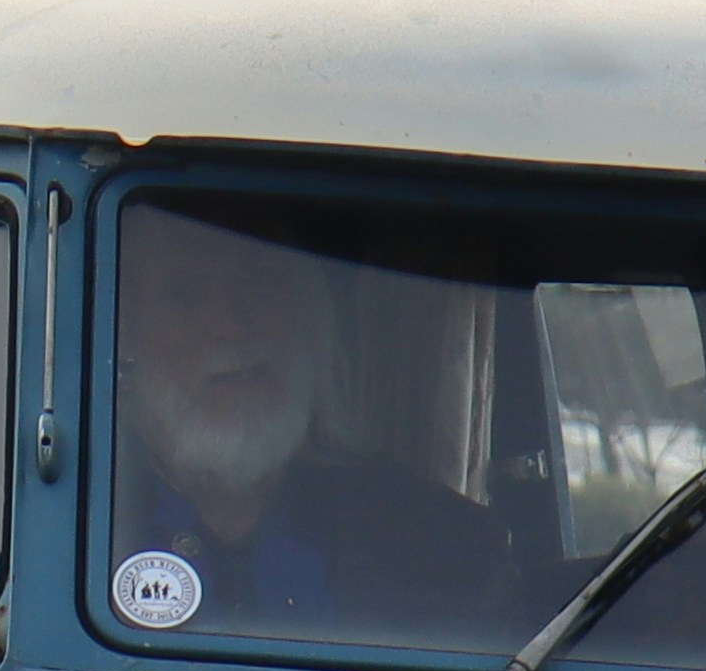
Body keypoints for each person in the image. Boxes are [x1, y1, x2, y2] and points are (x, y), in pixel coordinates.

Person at [104, 209, 502, 643]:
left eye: (259, 282)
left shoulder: (443, 545)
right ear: (126, 336)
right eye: (184, 295)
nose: (230, 325)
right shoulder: (75, 532)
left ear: (311, 316)